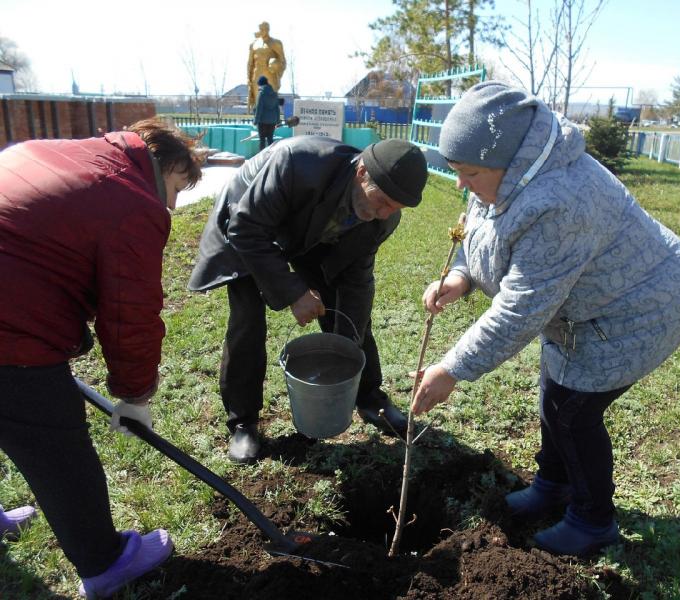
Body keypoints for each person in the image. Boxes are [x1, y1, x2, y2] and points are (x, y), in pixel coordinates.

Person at [411, 81, 680, 557]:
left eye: (469, 173)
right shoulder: (505, 175)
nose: (462, 184)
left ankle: (592, 522)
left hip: (639, 304)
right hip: (586, 311)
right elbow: (481, 224)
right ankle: (553, 484)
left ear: (509, 163)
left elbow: (521, 307)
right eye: (455, 171)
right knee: (556, 394)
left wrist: (452, 369)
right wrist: (462, 275)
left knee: (572, 414)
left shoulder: (561, 201)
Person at [0, 118, 203, 597]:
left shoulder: (46, 149)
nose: (172, 204)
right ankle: (106, 562)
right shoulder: (131, 201)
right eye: (176, 187)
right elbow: (128, 314)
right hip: (10, 334)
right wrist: (134, 396)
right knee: (58, 453)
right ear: (166, 164)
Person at [188, 137, 428, 463]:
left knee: (350, 313)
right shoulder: (296, 163)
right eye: (381, 200)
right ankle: (243, 421)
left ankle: (369, 395)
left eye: (393, 208)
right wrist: (294, 293)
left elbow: (356, 281)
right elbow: (245, 229)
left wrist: (349, 342)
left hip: (311, 233)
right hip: (248, 223)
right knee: (248, 320)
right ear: (361, 172)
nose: (381, 213)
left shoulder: (382, 218)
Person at [247, 21, 286, 110]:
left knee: (271, 103)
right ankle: (258, 122)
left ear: (268, 29)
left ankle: (272, 122)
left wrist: (276, 66)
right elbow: (250, 63)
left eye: (264, 29)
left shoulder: (276, 43)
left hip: (270, 76)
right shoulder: (254, 44)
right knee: (258, 103)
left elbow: (283, 61)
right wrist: (248, 78)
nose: (262, 31)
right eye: (260, 29)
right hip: (256, 76)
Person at [253, 75, 280, 150]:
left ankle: (262, 158)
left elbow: (259, 108)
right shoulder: (275, 94)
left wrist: (255, 121)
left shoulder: (261, 94)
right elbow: (277, 109)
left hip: (262, 121)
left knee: (262, 140)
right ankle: (271, 156)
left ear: (261, 84)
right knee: (270, 139)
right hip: (272, 121)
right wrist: (278, 121)